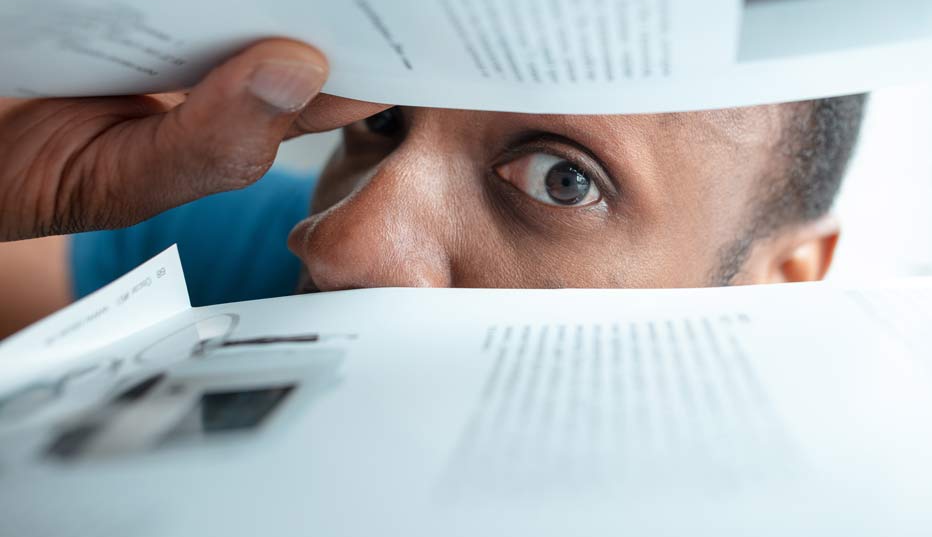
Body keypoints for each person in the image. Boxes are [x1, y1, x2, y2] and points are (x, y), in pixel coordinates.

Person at [0, 38, 866, 337]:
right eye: (379, 122)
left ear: (775, 288)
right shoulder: (239, 269)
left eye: (563, 180)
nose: (338, 244)